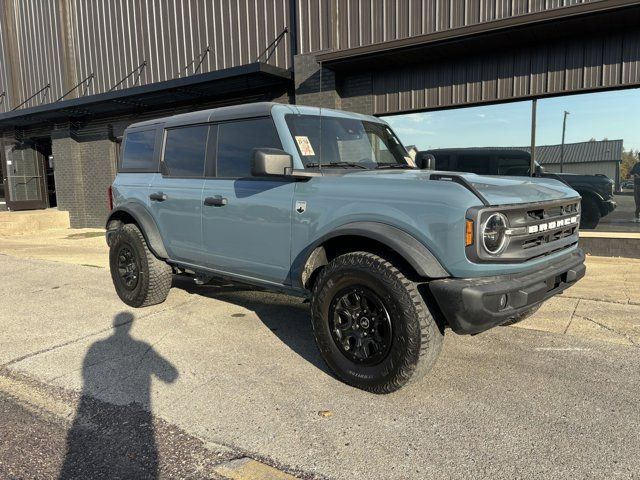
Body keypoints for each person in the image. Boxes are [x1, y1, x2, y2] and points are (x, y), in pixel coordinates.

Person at [629, 157, 640, 222]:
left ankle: (637, 215)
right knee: (637, 201)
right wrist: (632, 175)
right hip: (636, 185)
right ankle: (637, 216)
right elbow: (631, 173)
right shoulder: (636, 165)